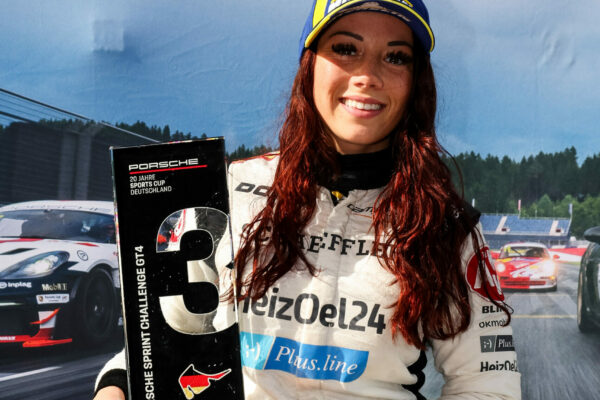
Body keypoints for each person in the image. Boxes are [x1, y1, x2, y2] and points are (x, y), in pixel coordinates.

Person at [94, 1, 521, 399]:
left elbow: (487, 382)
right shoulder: (230, 189)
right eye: (346, 49)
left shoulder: (443, 223)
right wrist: (114, 388)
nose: (367, 75)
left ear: (415, 82)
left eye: (395, 56)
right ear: (310, 65)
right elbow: (157, 350)